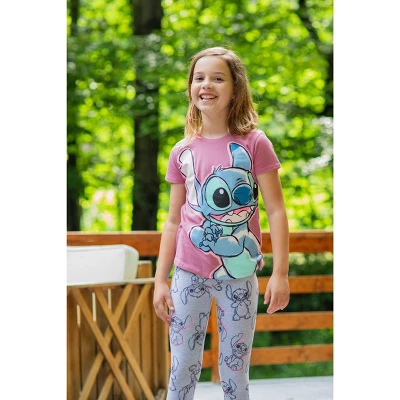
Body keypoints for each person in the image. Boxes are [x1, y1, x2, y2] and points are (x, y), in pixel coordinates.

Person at [153, 46, 290, 400]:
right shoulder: (181, 151)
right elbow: (172, 221)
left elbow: (276, 210)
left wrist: (280, 273)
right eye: (199, 78)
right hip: (187, 275)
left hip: (239, 275)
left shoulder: (255, 143)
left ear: (235, 88)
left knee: (234, 371)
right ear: (190, 88)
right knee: (182, 368)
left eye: (217, 78)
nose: (206, 85)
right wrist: (160, 279)